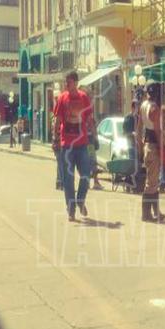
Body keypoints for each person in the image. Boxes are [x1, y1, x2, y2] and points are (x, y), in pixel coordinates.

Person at [53, 71, 98, 221]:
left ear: (76, 83)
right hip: (67, 145)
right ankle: (71, 209)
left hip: (82, 144)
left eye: (69, 82)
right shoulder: (62, 98)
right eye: (66, 82)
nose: (67, 84)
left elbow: (89, 119)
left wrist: (95, 136)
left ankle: (80, 200)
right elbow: (57, 121)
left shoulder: (84, 97)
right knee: (68, 179)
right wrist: (55, 139)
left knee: (86, 175)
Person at [138, 82, 165, 223]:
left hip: (147, 145)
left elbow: (139, 128)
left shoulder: (143, 105)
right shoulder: (154, 108)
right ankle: (146, 214)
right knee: (151, 183)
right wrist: (162, 148)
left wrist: (141, 146)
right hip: (154, 146)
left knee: (153, 181)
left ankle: (156, 212)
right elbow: (157, 131)